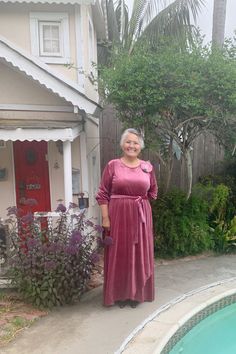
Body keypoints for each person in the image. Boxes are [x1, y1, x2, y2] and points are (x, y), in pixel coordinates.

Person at [96, 128, 158, 308]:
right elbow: (102, 193)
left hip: (141, 217)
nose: (132, 145)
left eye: (136, 142)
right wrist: (105, 218)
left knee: (138, 253)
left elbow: (153, 191)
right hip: (117, 215)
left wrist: (141, 203)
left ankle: (136, 294)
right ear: (122, 144)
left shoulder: (147, 167)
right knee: (119, 253)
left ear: (141, 146)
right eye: (128, 141)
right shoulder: (113, 165)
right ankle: (120, 295)